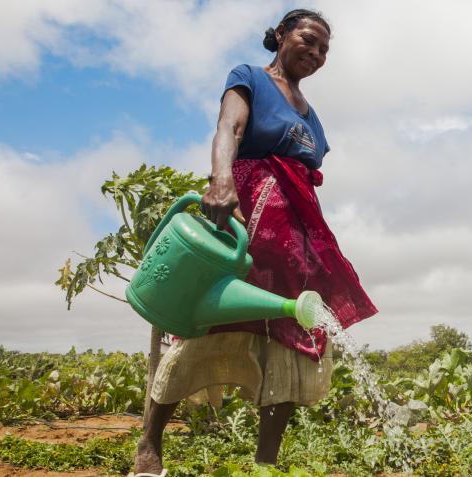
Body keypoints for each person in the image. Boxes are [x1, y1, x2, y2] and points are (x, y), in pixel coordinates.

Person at [130, 9, 377, 476]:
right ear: (282, 34)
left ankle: (266, 465)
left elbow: (305, 175)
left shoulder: (314, 116)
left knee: (293, 331)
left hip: (295, 241)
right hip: (247, 219)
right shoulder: (249, 78)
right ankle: (150, 447)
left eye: (325, 49)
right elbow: (231, 128)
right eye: (310, 40)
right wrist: (221, 180)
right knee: (209, 319)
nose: (318, 53)